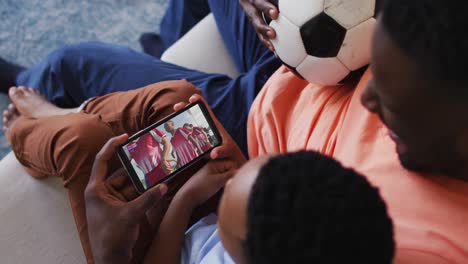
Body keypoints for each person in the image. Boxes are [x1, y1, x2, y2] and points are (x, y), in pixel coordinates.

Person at [245, 0, 468, 262]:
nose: (366, 99)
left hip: (253, 124)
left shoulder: (414, 244)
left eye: (389, 102)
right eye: (374, 74)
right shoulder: (418, 50)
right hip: (288, 51)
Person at [0, 0, 282, 156]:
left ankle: (25, 82)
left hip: (265, 114)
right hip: (290, 69)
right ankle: (163, 57)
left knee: (70, 65)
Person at [87, 134, 395, 264]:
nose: (231, 180)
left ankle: (42, 112)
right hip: (185, 216)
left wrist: (186, 199)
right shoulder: (340, 235)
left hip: (156, 246)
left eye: (226, 206)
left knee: (80, 139)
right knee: (176, 97)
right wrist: (192, 196)